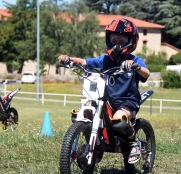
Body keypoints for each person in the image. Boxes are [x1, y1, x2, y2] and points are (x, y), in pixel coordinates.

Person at [58, 18, 150, 164]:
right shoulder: (105, 60)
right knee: (86, 114)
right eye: (114, 41)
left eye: (121, 41)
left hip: (127, 102)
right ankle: (94, 146)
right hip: (105, 100)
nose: (117, 45)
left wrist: (135, 67)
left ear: (131, 41)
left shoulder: (135, 60)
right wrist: (69, 59)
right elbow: (84, 62)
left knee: (119, 120)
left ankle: (134, 143)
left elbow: (146, 73)